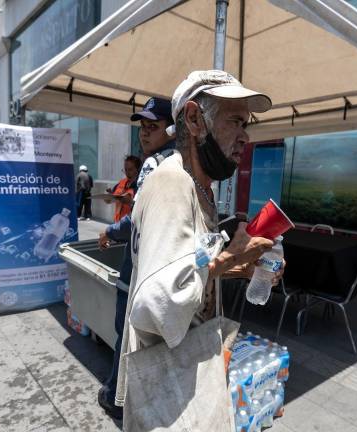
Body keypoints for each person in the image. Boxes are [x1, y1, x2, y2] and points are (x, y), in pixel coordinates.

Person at [115, 70, 284, 421]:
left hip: (182, 376)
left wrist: (239, 266)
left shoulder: (198, 188)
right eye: (235, 121)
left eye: (247, 124)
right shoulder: (172, 183)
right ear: (194, 119)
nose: (245, 136)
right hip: (167, 390)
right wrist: (228, 258)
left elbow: (185, 267)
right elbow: (156, 303)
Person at [96, 97, 175, 420]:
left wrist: (109, 232)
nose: (144, 134)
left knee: (126, 333)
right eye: (142, 128)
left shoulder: (156, 164)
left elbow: (137, 221)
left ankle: (117, 397)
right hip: (162, 269)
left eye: (152, 127)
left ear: (171, 130)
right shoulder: (180, 163)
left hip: (140, 268)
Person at [107, 155, 142, 223]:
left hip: (130, 226)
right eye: (125, 169)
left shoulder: (140, 186)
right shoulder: (121, 183)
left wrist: (131, 202)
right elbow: (111, 198)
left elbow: (142, 209)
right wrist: (109, 196)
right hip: (117, 223)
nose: (127, 172)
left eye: (130, 169)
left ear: (137, 170)